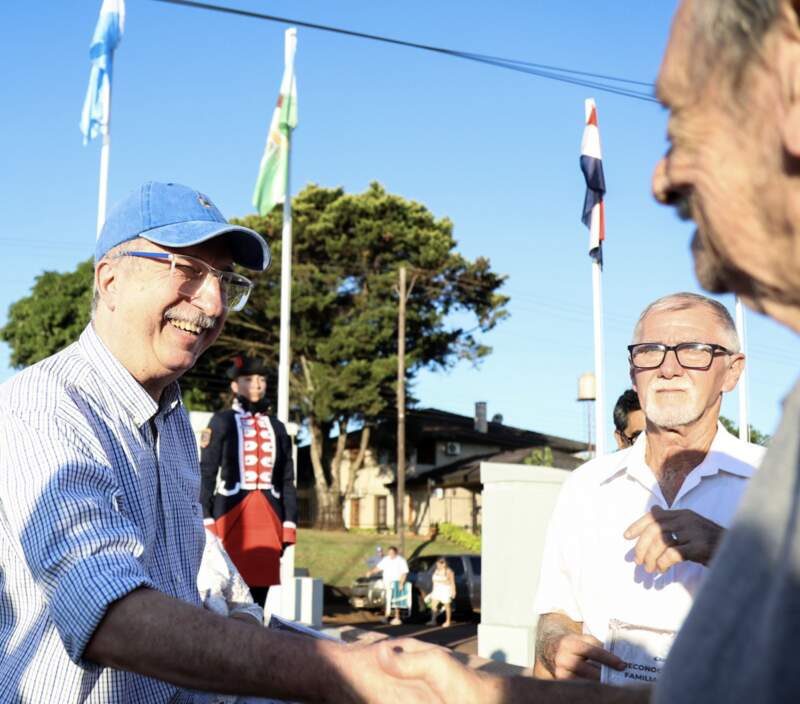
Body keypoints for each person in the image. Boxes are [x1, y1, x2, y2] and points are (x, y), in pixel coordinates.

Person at [0, 181, 454, 703]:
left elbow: (182, 579)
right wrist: (344, 673)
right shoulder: (41, 408)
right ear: (110, 281)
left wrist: (371, 660)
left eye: (227, 282)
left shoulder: (168, 416)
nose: (214, 303)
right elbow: (109, 615)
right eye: (189, 271)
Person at [533, 292, 764, 680]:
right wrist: (556, 644)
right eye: (650, 351)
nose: (668, 368)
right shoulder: (586, 487)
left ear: (732, 371)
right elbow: (556, 615)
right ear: (632, 371)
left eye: (693, 350)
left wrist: (727, 549)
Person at [200, 356, 298, 607]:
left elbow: (287, 480)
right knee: (222, 592)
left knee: (258, 599)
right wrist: (205, 517)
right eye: (249, 379)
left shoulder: (277, 427)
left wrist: (289, 523)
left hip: (268, 517)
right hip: (229, 515)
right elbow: (207, 473)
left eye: (262, 379)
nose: (257, 384)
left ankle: (255, 641)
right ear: (235, 385)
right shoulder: (221, 421)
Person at [366, 545, 409, 625]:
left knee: (396, 601)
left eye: (392, 553)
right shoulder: (386, 559)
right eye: (389, 553)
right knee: (387, 599)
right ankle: (386, 616)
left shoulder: (401, 560)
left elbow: (404, 572)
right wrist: (370, 572)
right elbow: (378, 568)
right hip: (387, 582)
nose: (391, 554)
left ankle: (397, 618)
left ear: (396, 552)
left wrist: (401, 583)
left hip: (396, 582)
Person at [426, 558, 456, 628]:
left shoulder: (449, 571)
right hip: (436, 590)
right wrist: (433, 590)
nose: (438, 565)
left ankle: (448, 621)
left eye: (440, 564)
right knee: (433, 606)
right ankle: (433, 620)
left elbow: (452, 582)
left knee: (447, 606)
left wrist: (453, 591)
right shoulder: (436, 571)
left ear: (444, 564)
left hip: (445, 590)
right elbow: (434, 582)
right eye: (437, 564)